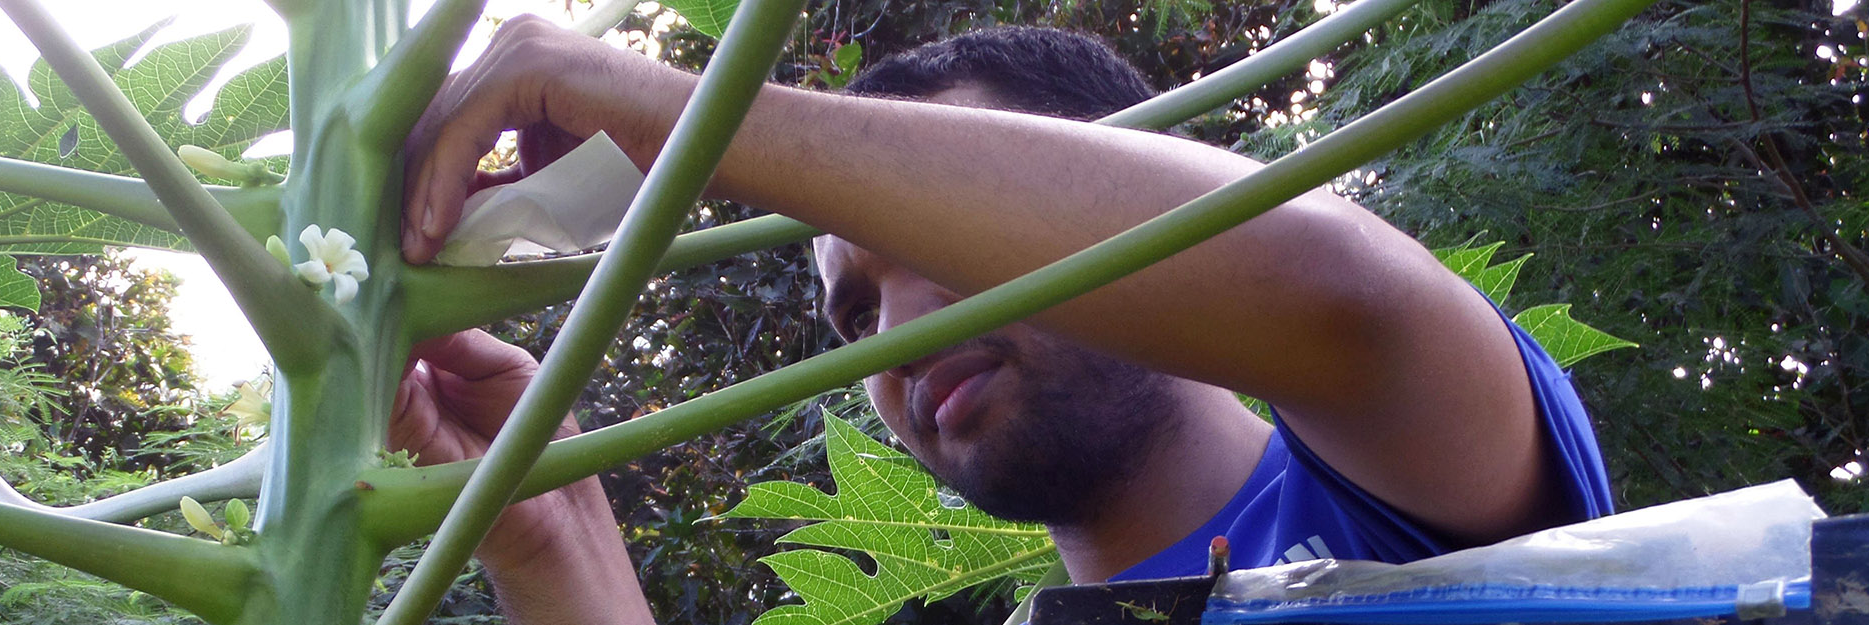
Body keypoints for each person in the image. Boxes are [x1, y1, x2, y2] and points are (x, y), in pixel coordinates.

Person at [388, 19, 1614, 624]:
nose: (893, 337)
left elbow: (1334, 291)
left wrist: (685, 115)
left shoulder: (1410, 484)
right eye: (853, 309)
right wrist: (556, 542)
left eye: (935, 252)